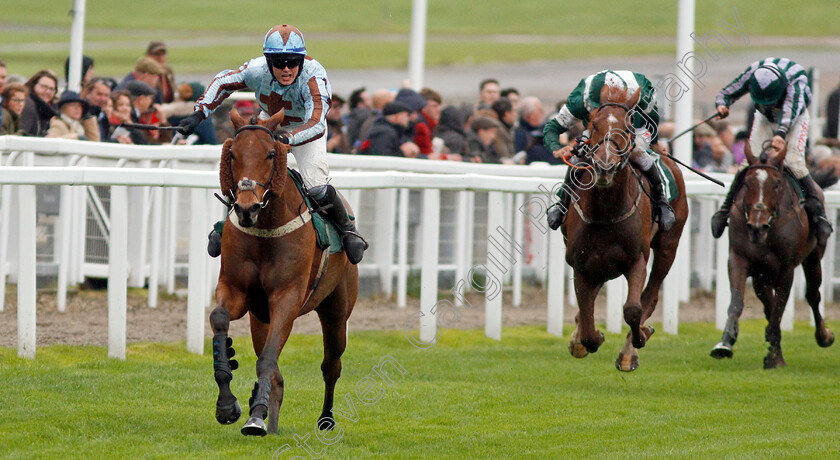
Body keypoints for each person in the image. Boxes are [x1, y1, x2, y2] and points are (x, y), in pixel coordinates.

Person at [177, 24, 367, 264]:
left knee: (317, 187)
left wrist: (289, 138)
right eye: (278, 62)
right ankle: (225, 226)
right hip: (271, 123)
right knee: (248, 176)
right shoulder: (256, 69)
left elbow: (317, 122)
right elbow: (223, 82)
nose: (286, 68)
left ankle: (348, 230)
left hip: (307, 130)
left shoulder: (314, 76)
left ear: (302, 60)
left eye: (292, 61)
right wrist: (199, 113)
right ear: (268, 62)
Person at [710, 57, 833, 244]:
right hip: (765, 118)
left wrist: (781, 134)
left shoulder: (796, 83)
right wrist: (722, 104)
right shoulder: (753, 74)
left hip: (795, 117)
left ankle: (819, 215)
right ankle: (725, 210)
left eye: (772, 101)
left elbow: (789, 112)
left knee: (794, 162)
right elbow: (728, 91)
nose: (770, 104)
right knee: (749, 163)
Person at [542, 70, 676, 231]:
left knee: (639, 153)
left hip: (631, 125)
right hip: (599, 128)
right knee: (579, 156)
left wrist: (654, 142)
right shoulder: (582, 98)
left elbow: (652, 120)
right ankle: (562, 204)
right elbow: (552, 128)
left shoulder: (641, 94)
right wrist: (556, 148)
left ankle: (661, 202)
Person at [515, 96, 558, 165]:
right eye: (540, 110)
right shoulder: (520, 135)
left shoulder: (542, 130)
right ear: (530, 115)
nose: (543, 113)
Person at [20, 70, 59, 137]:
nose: (48, 92)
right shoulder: (28, 105)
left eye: (52, 89)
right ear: (33, 85)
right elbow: (23, 134)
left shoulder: (48, 110)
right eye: (44, 87)